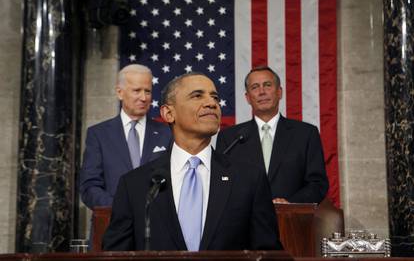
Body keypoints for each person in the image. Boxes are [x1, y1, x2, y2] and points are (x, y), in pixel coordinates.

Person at [102, 72, 283, 251]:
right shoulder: (134, 184)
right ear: (168, 113)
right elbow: (116, 253)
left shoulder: (249, 179)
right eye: (197, 96)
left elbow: (268, 253)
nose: (212, 103)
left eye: (215, 97)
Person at [216, 66, 329, 204]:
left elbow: (317, 183)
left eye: (267, 85)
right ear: (247, 97)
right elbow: (221, 182)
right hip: (244, 221)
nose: (262, 92)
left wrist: (289, 204)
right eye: (255, 87)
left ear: (279, 92)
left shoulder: (306, 134)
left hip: (290, 220)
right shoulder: (230, 138)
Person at [80, 64, 172, 209]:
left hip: (156, 223)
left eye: (147, 91)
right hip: (112, 223)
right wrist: (120, 208)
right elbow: (90, 186)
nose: (143, 97)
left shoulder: (168, 133)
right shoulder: (98, 134)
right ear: (119, 92)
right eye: (137, 90)